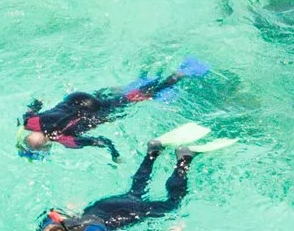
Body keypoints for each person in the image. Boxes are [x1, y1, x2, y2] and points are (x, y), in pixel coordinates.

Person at [38, 125, 234, 231]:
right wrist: (70, 209)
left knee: (172, 204)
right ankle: (152, 152)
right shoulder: (48, 225)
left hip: (125, 213)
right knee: (135, 191)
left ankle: (184, 159)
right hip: (105, 206)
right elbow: (50, 212)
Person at [19, 57, 210, 160]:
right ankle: (136, 79)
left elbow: (101, 140)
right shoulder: (30, 122)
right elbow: (32, 107)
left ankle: (179, 74)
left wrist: (115, 156)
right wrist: (38, 101)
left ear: (46, 146)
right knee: (112, 94)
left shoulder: (66, 141)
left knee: (137, 98)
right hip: (78, 97)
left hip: (95, 111)